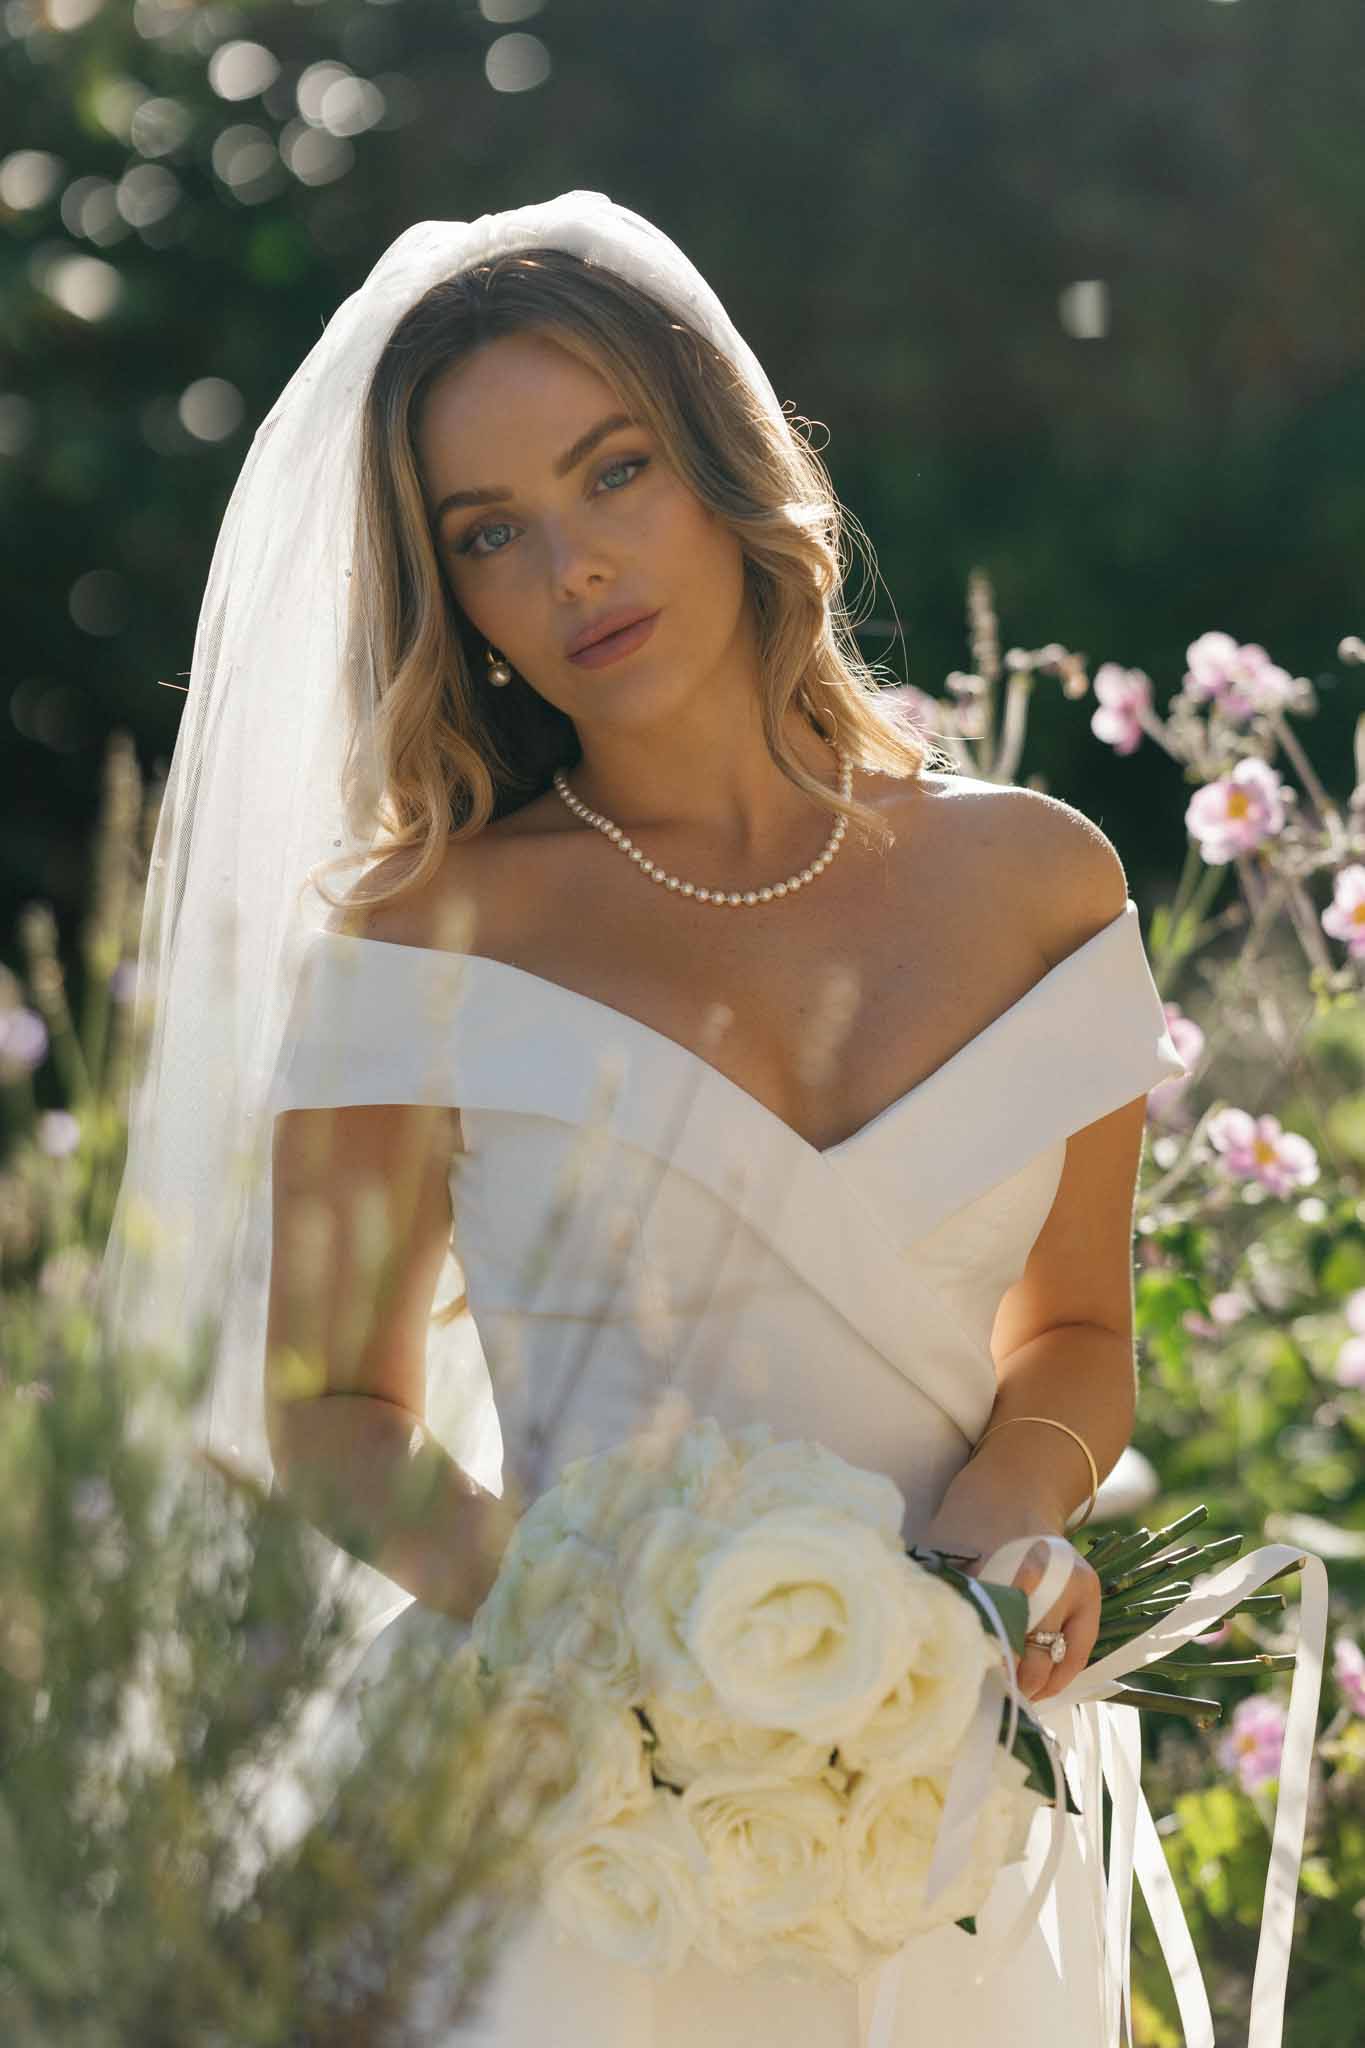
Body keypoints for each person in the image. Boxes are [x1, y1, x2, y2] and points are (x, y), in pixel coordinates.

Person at [96, 193, 1193, 2045]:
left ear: (728, 466)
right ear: (452, 597)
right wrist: (601, 1650)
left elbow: (1077, 1336)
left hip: (949, 1790)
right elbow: (332, 1411)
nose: (575, 566)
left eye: (615, 472)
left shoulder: (1037, 881)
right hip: (564, 1809)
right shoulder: (419, 937)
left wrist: (990, 1555)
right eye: (490, 533)